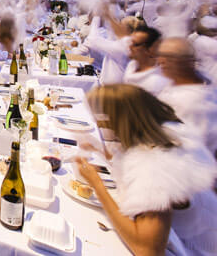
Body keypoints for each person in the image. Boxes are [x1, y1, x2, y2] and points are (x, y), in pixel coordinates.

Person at [76, 84, 217, 256]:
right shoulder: (165, 133)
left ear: (120, 120)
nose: (100, 123)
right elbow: (129, 158)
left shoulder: (154, 165)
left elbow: (148, 250)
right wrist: (102, 151)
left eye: (103, 118)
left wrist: (97, 185)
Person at [156, 37, 217, 156]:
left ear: (187, 61)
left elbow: (195, 146)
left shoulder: (191, 102)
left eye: (168, 57)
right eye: (160, 55)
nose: (161, 61)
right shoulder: (200, 81)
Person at [122, 26, 170, 95]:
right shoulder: (131, 66)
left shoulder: (157, 82)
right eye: (130, 43)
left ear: (151, 49)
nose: (130, 47)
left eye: (135, 44)